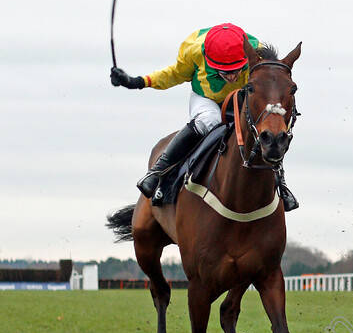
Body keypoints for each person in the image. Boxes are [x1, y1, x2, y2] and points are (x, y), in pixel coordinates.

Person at [110, 23, 298, 210]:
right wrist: (136, 82)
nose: (232, 77)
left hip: (242, 98)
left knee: (265, 128)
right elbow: (173, 75)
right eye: (224, 71)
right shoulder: (193, 51)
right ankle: (159, 172)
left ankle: (280, 183)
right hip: (206, 98)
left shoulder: (256, 51)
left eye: (236, 70)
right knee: (209, 121)